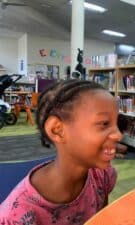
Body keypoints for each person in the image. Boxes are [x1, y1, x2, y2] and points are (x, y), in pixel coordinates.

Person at [0, 79, 122, 224]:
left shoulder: (102, 176)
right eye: (104, 124)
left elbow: (100, 220)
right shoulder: (17, 216)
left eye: (117, 123)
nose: (119, 135)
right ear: (57, 130)